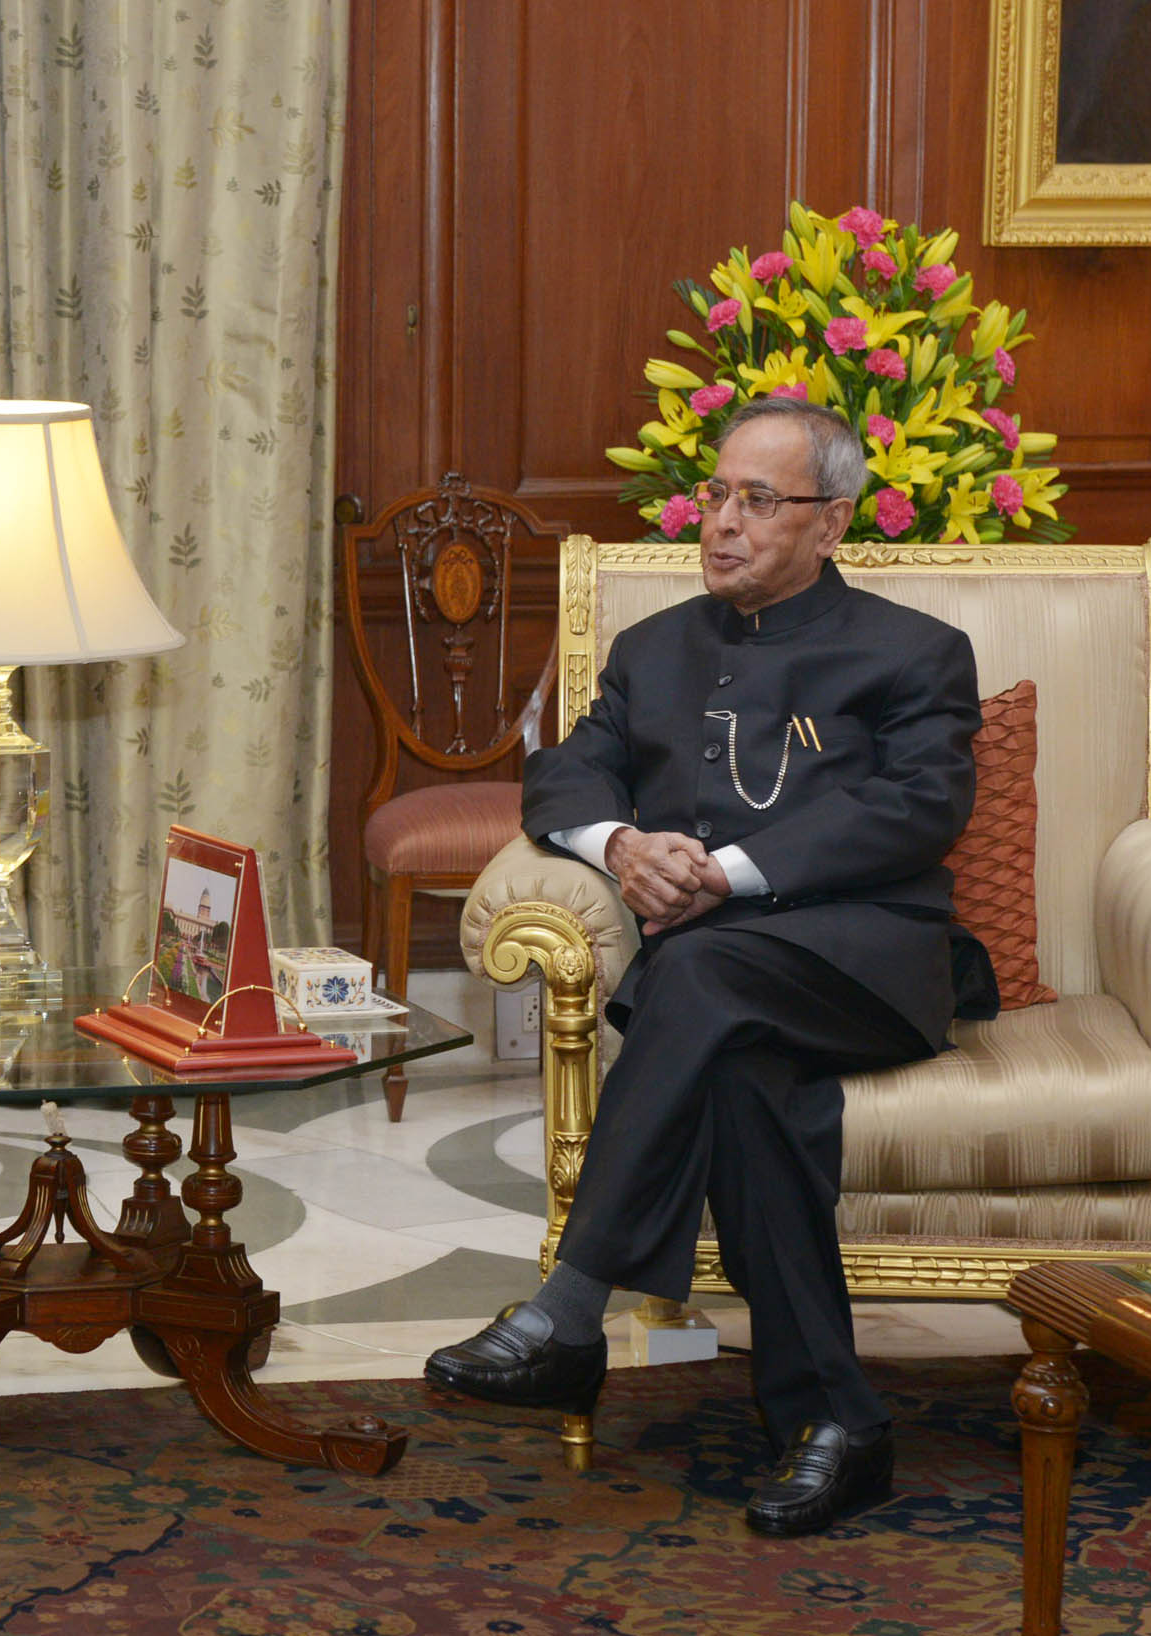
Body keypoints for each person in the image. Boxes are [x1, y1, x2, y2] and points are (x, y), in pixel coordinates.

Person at [423, 396, 997, 1536]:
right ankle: (838, 1425)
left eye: (758, 500)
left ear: (829, 524)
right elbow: (563, 777)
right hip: (726, 994)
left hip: (869, 966)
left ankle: (570, 1312)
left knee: (696, 974)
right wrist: (620, 845)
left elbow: (919, 809)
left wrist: (725, 872)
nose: (722, 522)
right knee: (739, 1076)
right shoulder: (653, 650)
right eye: (717, 494)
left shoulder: (916, 650)